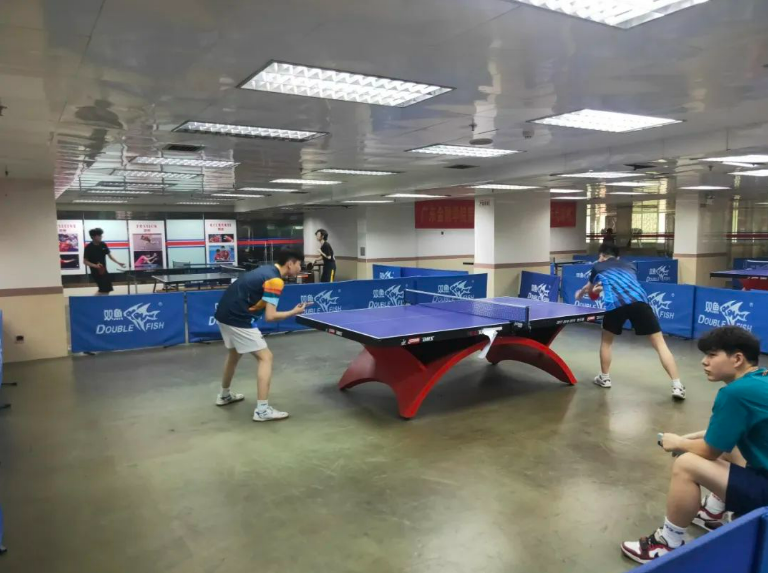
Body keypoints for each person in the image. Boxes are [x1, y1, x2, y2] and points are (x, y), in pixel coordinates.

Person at [621, 326, 768, 564]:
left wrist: (679, 443)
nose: (704, 361)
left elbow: (710, 450)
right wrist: (687, 439)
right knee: (732, 445)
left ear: (737, 359)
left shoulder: (736, 393)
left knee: (687, 464)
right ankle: (711, 512)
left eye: (712, 355)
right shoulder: (760, 379)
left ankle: (667, 543)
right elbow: (724, 434)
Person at [574, 243, 684, 399]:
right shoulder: (630, 266)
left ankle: (604, 378)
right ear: (618, 257)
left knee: (606, 342)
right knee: (660, 344)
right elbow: (624, 284)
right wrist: (601, 288)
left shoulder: (598, 266)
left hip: (616, 304)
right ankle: (677, 385)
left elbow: (589, 289)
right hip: (640, 301)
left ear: (601, 256)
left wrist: (580, 294)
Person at [213, 248, 308, 421]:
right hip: (238, 319)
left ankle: (224, 395)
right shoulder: (275, 280)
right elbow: (271, 317)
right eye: (299, 265)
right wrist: (293, 312)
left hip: (223, 315)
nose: (300, 268)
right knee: (266, 358)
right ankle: (262, 411)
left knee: (234, 354)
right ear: (290, 263)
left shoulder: (266, 270)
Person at [83, 228, 125, 295]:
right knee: (104, 289)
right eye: (99, 235)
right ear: (93, 237)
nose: (101, 237)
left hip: (104, 270)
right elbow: (85, 261)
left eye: (101, 235)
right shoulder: (88, 247)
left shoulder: (103, 244)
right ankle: (97, 301)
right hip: (96, 272)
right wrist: (95, 266)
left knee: (107, 289)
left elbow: (110, 256)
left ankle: (95, 300)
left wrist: (118, 263)